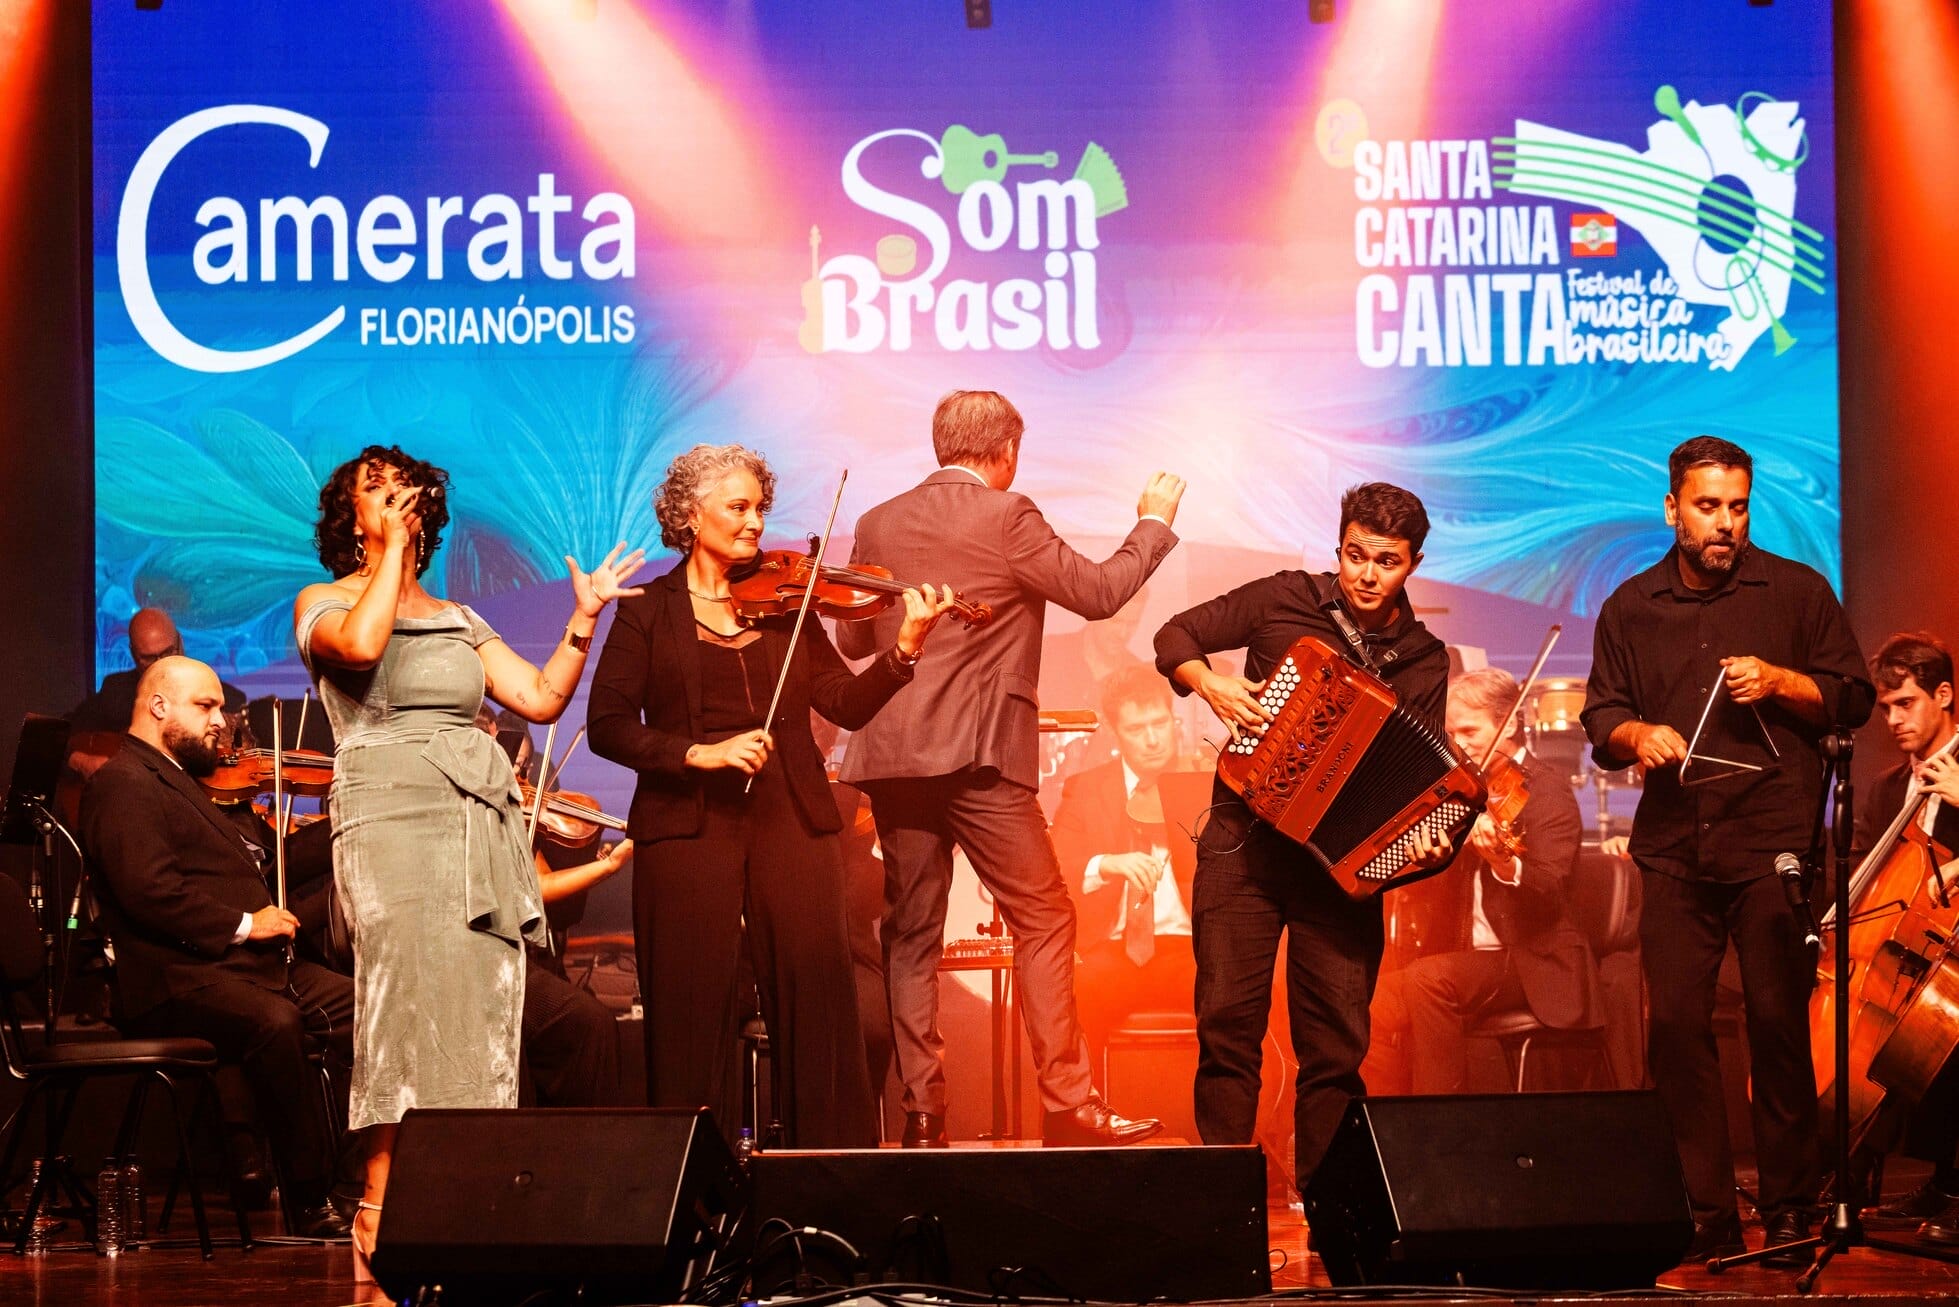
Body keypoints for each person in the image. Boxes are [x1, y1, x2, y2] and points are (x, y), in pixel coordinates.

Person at [295, 443, 645, 1269]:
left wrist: (582, 618)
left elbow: (540, 696)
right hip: (389, 818)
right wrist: (386, 555)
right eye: (371, 491)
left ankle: (465, 1197)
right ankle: (380, 1197)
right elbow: (360, 647)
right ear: (349, 517)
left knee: (483, 1004)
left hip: (472, 823)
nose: (391, 500)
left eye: (401, 491)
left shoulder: (458, 618)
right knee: (404, 1003)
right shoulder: (325, 599)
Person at [838, 390, 1184, 1147]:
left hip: (894, 756)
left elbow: (859, 644)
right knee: (1045, 915)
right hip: (978, 758)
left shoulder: (875, 521)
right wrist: (1152, 522)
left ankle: (923, 1113)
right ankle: (1068, 1101)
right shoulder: (1008, 514)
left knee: (910, 936)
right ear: (1005, 454)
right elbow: (1097, 593)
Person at [588, 443, 956, 1149]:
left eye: (760, 507)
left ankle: (825, 1185)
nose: (756, 522)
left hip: (791, 812)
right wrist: (698, 752)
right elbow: (607, 725)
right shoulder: (649, 612)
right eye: (738, 507)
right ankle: (698, 1203)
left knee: (819, 1003)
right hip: (686, 824)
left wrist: (903, 649)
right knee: (691, 1009)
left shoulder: (787, 603)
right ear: (691, 517)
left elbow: (843, 702)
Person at [1581, 435, 1872, 1263]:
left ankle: (1786, 1206)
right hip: (1674, 847)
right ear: (1671, 506)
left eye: (1737, 506)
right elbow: (1601, 718)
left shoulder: (1797, 590)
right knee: (1674, 1027)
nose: (1724, 524)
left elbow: (1852, 698)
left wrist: (1781, 681)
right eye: (1707, 507)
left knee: (1778, 1025)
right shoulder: (1631, 605)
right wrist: (1637, 732)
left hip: (1771, 841)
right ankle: (1705, 1205)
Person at [1154, 481, 1453, 1191]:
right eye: (1354, 555)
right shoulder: (1282, 597)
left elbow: (1423, 785)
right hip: (1242, 846)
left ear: (1412, 563)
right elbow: (1175, 636)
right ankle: (1224, 1206)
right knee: (1227, 1031)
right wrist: (1210, 685)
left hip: (1337, 871)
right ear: (1338, 547)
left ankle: (1327, 1216)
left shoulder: (1423, 657)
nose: (1365, 574)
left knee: (1335, 1050)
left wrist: (1429, 841)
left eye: (1385, 560)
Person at [78, 657, 355, 1238]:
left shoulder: (182, 780)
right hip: (177, 979)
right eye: (205, 707)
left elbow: (259, 867)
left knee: (365, 1008)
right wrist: (245, 924)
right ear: (159, 707)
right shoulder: (122, 781)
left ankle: (367, 1177)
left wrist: (342, 823)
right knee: (275, 1023)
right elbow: (148, 892)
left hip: (241, 970)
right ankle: (308, 1198)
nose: (220, 721)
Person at [1372, 669, 1596, 1093]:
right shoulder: (1462, 789)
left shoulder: (1547, 790)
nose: (1459, 743)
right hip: (1468, 958)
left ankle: (1438, 1135)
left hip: (1532, 959)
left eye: (1470, 730)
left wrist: (1503, 861)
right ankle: (1383, 1128)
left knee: (1429, 980)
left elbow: (1549, 890)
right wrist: (1429, 858)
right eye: (1452, 732)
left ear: (1508, 724)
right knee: (1366, 1002)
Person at [1850, 633, 1959, 1237]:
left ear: (1944, 695)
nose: (1893, 719)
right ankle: (1943, 1182)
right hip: (1919, 948)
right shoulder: (1890, 788)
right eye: (1886, 707)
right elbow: (1870, 876)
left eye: (1906, 703)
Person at [1047, 664, 1198, 1074]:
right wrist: (1106, 864)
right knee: (1066, 1000)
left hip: (1191, 951)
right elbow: (1055, 865)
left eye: (1159, 724)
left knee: (1246, 994)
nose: (1152, 739)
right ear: (1116, 734)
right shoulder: (1086, 788)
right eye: (1136, 729)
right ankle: (1075, 1129)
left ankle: (1248, 1132)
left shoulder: (1206, 780)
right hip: (1110, 952)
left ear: (1174, 721)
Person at [68, 607, 247, 733]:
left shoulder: (227, 701)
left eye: (168, 652)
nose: (162, 664)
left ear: (181, 643)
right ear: (133, 654)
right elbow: (66, 731)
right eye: (149, 658)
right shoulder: (115, 691)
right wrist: (83, 761)